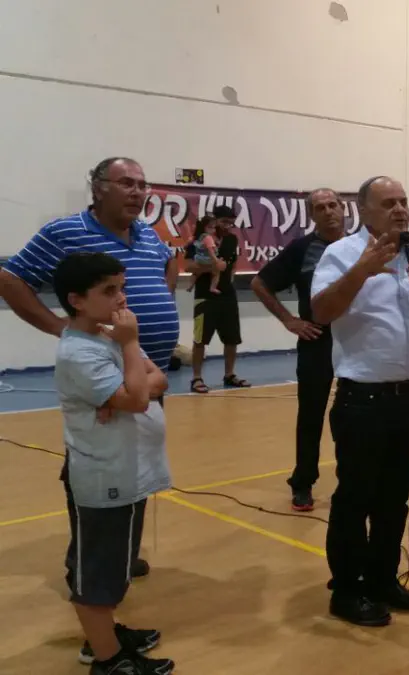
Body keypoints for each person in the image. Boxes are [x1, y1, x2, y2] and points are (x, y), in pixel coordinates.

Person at [0, 157, 178, 587]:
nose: (138, 192)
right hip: (107, 379)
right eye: (126, 183)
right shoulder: (65, 232)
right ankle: (87, 568)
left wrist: (160, 299)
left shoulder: (149, 235)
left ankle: (122, 556)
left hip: (145, 373)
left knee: (136, 467)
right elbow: (9, 279)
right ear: (98, 188)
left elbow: (169, 265)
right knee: (96, 474)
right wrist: (60, 328)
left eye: (142, 184)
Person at [310, 175, 409, 626]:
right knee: (355, 498)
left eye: (403, 201)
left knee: (394, 498)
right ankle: (347, 590)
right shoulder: (341, 254)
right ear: (363, 209)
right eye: (389, 203)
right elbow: (321, 312)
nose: (400, 209)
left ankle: (382, 579)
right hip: (363, 398)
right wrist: (363, 270)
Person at [51, 252, 174, 675]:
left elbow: (158, 379)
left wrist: (129, 386)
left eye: (121, 287)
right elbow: (139, 397)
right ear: (76, 300)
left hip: (127, 470)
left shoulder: (107, 337)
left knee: (115, 567)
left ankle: (105, 635)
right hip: (105, 476)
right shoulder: (81, 352)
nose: (121, 298)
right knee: (98, 575)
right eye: (109, 290)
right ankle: (108, 660)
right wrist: (130, 349)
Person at [251, 188, 346, 511]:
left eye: (332, 205)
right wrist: (289, 320)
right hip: (317, 340)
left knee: (350, 415)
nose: (328, 211)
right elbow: (260, 284)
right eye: (320, 207)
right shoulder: (302, 249)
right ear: (311, 215)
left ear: (343, 208)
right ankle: (303, 481)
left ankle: (350, 477)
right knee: (310, 414)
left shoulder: (361, 247)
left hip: (355, 342)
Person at [186, 206, 250, 392]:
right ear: (215, 220)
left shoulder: (232, 239)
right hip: (205, 295)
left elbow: (233, 263)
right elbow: (189, 266)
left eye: (231, 223)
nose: (227, 226)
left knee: (232, 338)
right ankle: (196, 378)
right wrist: (213, 268)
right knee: (200, 339)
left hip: (227, 294)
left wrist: (229, 278)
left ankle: (229, 374)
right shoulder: (198, 239)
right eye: (224, 222)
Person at [185, 217, 224, 295]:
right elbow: (211, 252)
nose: (213, 230)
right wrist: (216, 261)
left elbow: (186, 246)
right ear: (203, 227)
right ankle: (212, 287)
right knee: (216, 273)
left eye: (214, 228)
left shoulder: (198, 237)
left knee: (196, 273)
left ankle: (190, 285)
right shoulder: (208, 238)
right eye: (211, 227)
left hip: (198, 258)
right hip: (207, 259)